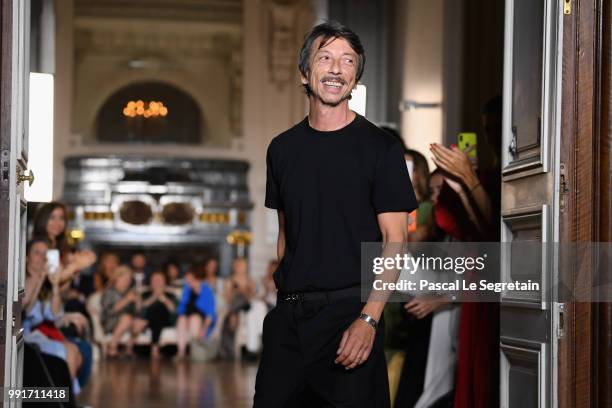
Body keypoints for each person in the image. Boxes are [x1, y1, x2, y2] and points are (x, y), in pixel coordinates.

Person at [254, 21, 417, 407]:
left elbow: (397, 240)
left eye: (347, 61)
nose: (336, 68)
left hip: (351, 318)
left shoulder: (382, 148)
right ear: (304, 73)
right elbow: (286, 236)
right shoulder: (282, 149)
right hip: (289, 323)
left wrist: (369, 319)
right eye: (325, 57)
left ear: (355, 78)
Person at [100, 265, 148, 358]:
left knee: (140, 322)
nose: (128, 280)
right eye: (125, 278)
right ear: (117, 277)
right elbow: (109, 312)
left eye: (129, 278)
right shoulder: (109, 291)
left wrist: (138, 304)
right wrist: (126, 300)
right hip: (110, 321)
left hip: (127, 321)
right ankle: (112, 348)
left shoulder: (130, 291)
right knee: (127, 318)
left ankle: (128, 349)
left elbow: (139, 313)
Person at [175, 266, 216, 361]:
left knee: (194, 318)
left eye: (189, 278)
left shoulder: (206, 290)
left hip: (203, 319)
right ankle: (181, 352)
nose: (187, 281)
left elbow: (210, 312)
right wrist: (184, 317)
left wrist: (204, 329)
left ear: (196, 278)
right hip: (187, 316)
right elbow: (181, 308)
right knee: (181, 319)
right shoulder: (187, 290)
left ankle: (194, 351)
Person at [141, 270, 178, 359]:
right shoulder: (145, 294)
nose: (157, 282)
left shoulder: (170, 294)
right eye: (155, 280)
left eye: (159, 280)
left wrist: (162, 297)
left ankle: (154, 347)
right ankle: (155, 348)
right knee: (156, 312)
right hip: (147, 321)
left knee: (158, 311)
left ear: (164, 281)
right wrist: (154, 297)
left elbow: (173, 310)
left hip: (167, 320)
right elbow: (140, 309)